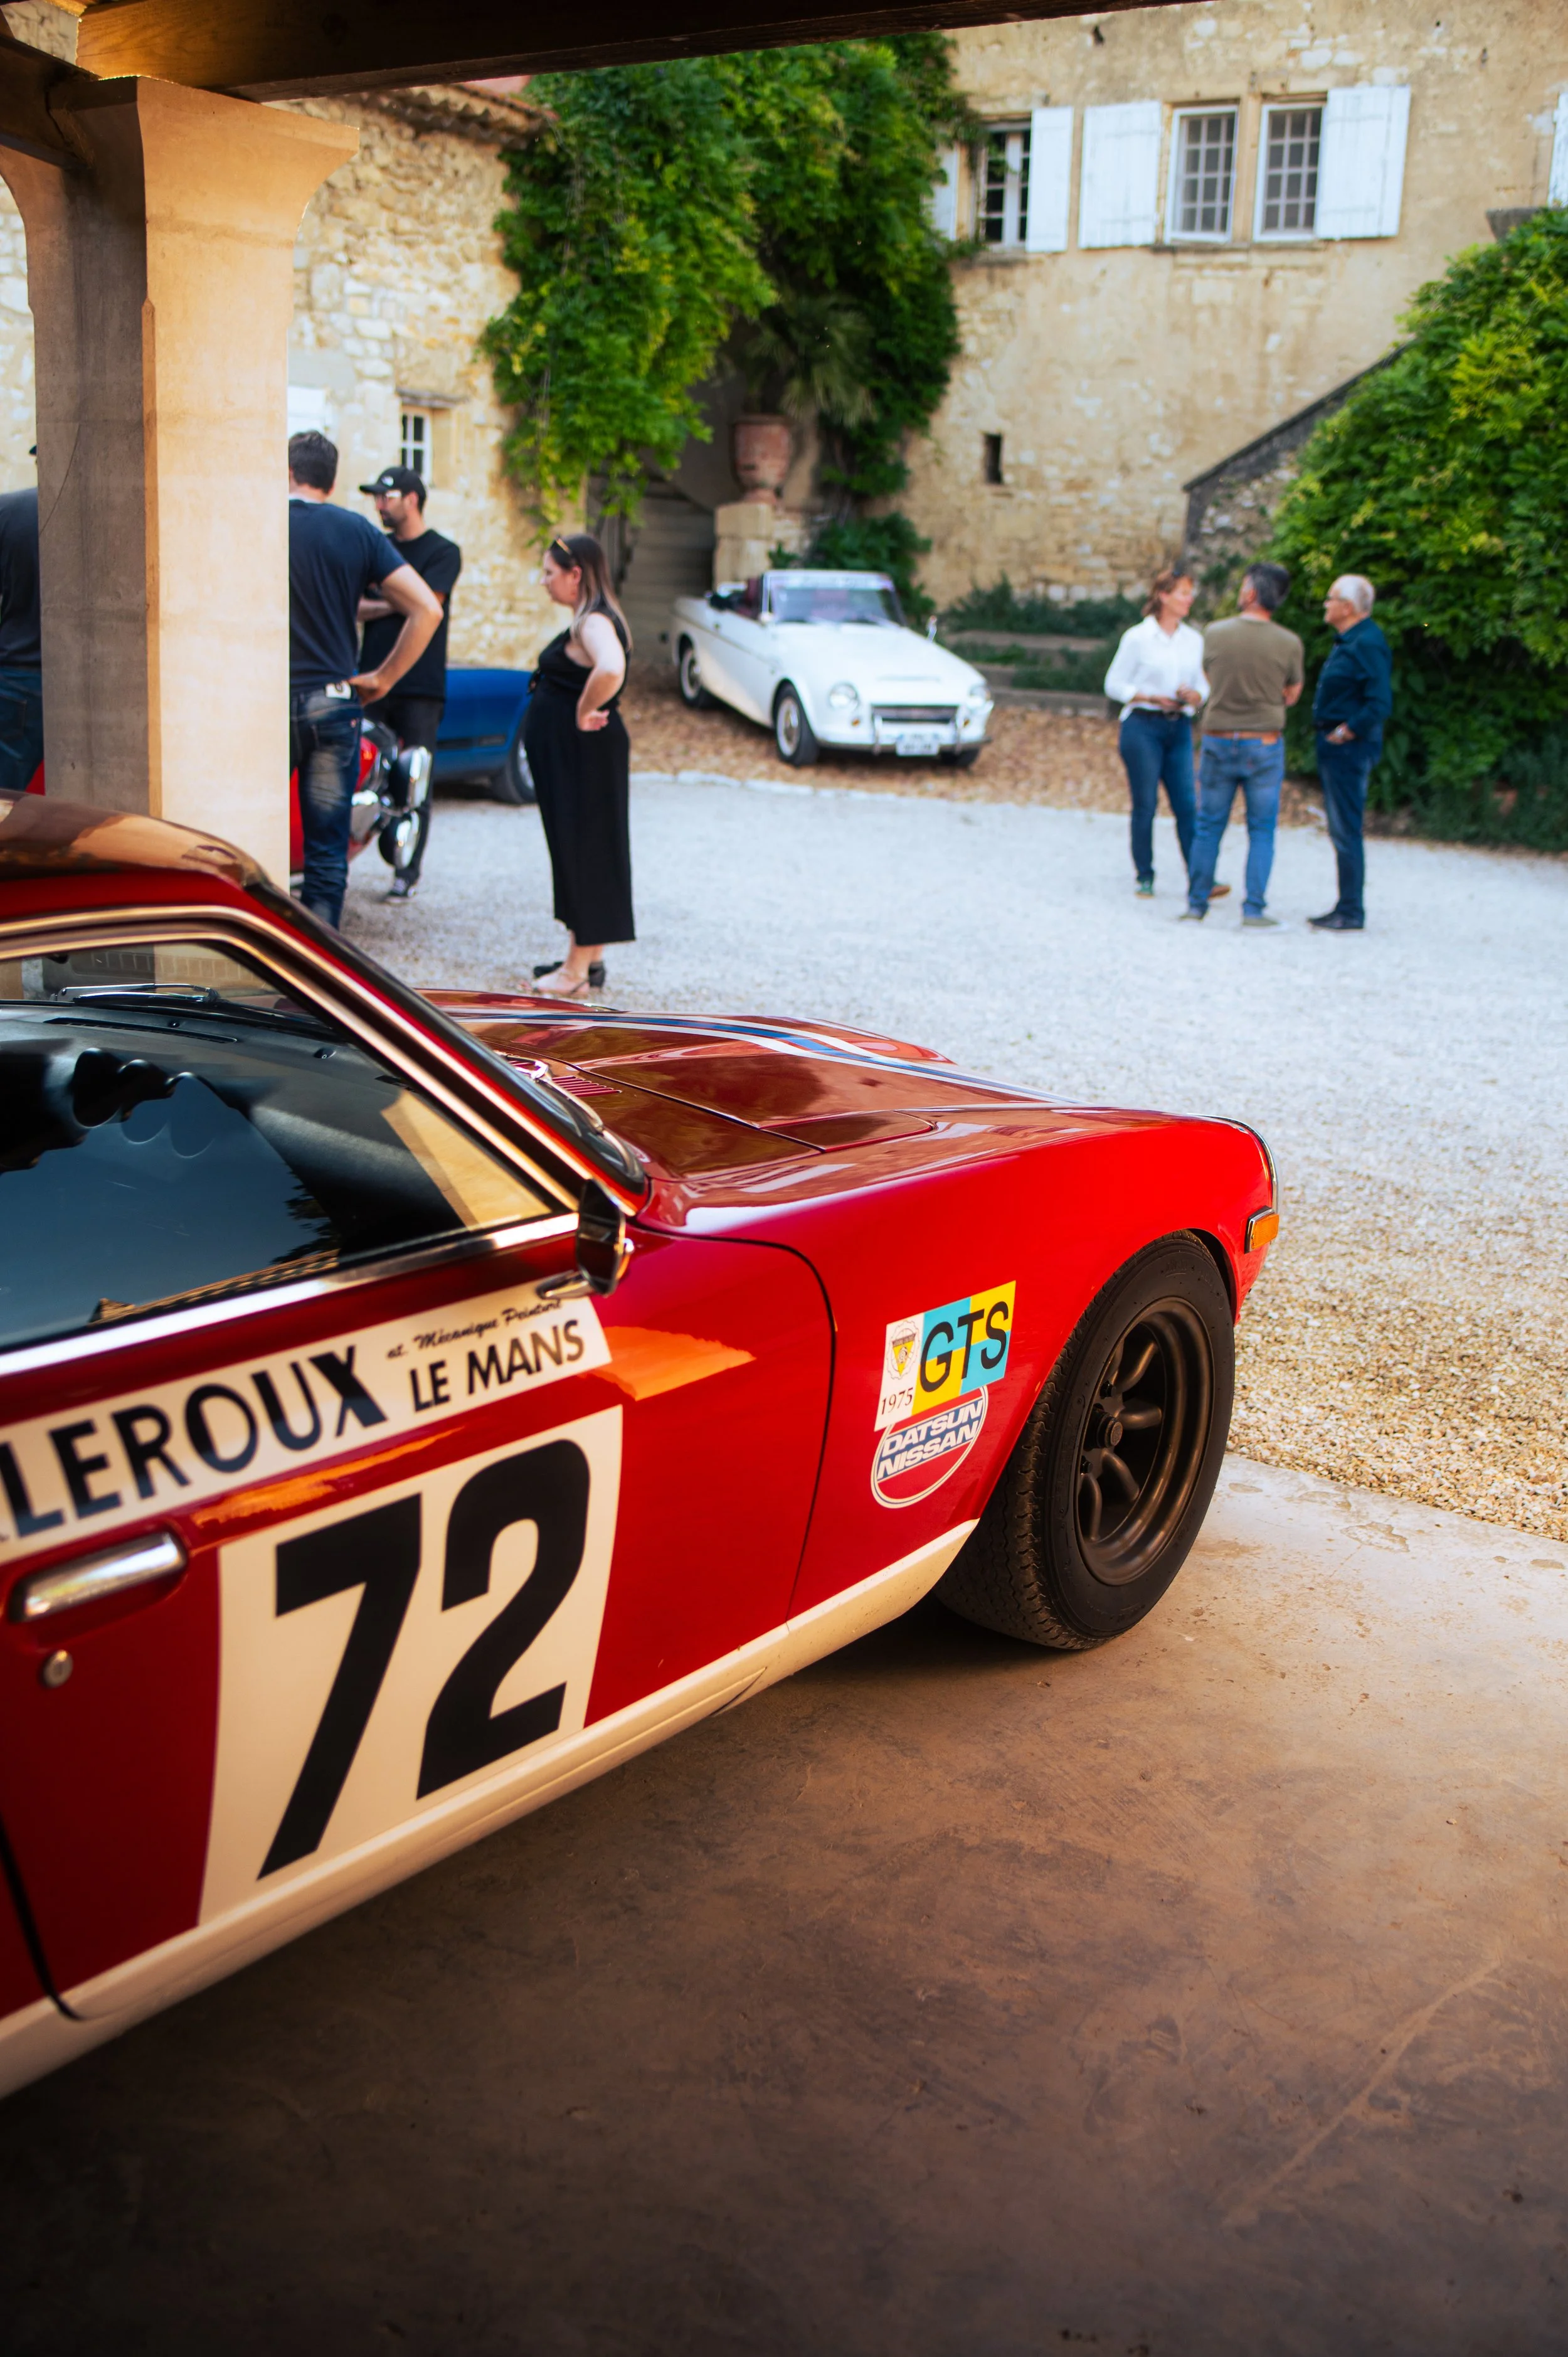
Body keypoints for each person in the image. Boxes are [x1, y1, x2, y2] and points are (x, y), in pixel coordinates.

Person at [287, 430, 441, 930]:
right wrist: (383, 677)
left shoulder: (257, 522)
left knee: (245, 840)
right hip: (333, 703)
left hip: (263, 705)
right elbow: (427, 608)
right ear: (330, 484)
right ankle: (317, 986)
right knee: (326, 855)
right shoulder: (356, 532)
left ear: (287, 472)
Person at [524, 532, 633, 997]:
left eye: (550, 573)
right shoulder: (596, 615)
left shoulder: (591, 622)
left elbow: (610, 667)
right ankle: (588, 957)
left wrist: (583, 709)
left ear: (575, 575)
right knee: (589, 847)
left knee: (582, 850)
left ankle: (574, 973)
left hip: (581, 753)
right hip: (580, 753)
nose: (544, 581)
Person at [356, 464, 462, 901]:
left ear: (412, 499)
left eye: (388, 496)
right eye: (377, 498)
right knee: (357, 771)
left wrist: (385, 596)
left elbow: (429, 604)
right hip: (369, 679)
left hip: (419, 685)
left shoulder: (443, 552)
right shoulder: (374, 547)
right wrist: (400, 603)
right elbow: (356, 606)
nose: (380, 505)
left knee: (415, 779)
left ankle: (406, 871)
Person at [1184, 561, 1303, 929]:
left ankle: (1196, 904)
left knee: (1209, 826)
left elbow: (1206, 677)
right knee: (1262, 829)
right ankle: (1253, 909)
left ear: (1251, 593)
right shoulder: (1289, 643)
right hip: (1263, 744)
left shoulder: (1215, 633)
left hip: (1219, 740)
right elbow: (1292, 695)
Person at [1104, 568, 1210, 899]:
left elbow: (1203, 683)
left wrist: (1196, 696)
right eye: (1183, 593)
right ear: (1163, 596)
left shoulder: (1194, 640)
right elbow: (1114, 684)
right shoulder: (1138, 637)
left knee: (1186, 803)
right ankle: (1145, 873)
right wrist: (1148, 696)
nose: (1189, 599)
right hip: (1143, 725)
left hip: (1178, 725)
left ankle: (1199, 875)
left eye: (1191, 593)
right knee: (1146, 803)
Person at [1310, 573, 1392, 932]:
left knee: (1346, 828)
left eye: (1330, 599)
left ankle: (1351, 910)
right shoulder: (1351, 640)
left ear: (1347, 606)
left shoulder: (1367, 643)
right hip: (1338, 746)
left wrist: (1347, 731)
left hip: (1349, 749)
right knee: (1342, 828)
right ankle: (1346, 905)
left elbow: (1380, 702)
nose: (1325, 605)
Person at [0, 476, 42, 799]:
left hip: (19, 678)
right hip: (101, 682)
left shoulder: (10, 509)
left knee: (5, 799)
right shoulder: (116, 506)